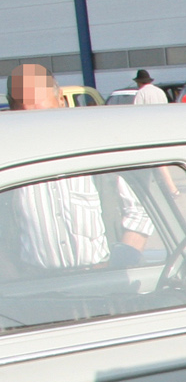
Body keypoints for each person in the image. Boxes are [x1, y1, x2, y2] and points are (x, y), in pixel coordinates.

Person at [4, 66, 155, 274]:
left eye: (42, 114)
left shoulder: (95, 156)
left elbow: (140, 211)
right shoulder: (10, 166)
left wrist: (121, 263)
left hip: (102, 281)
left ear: (62, 103)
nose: (37, 125)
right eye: (26, 116)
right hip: (37, 288)